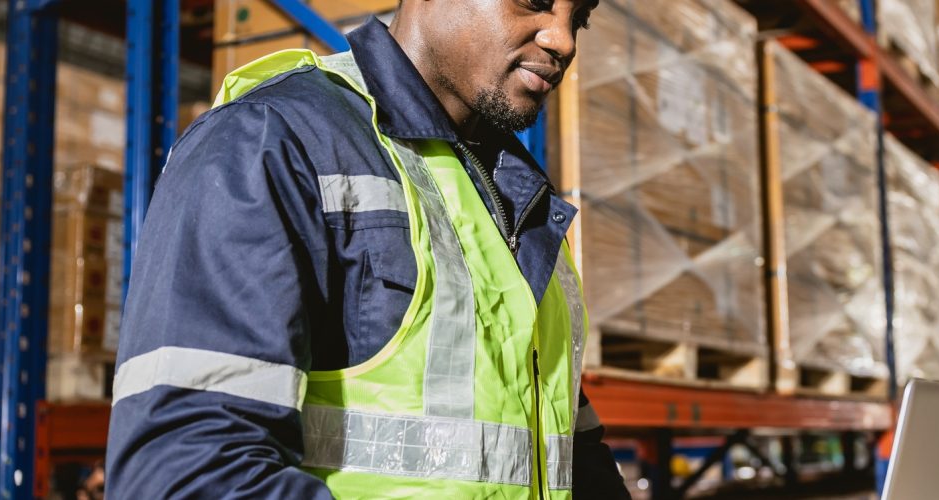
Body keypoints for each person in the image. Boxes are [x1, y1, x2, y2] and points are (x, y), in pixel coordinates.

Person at [105, 1, 632, 498]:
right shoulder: (272, 140)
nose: (562, 40)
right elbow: (187, 473)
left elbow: (571, 459)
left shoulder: (521, 202)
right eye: (533, 0)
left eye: (579, 17)